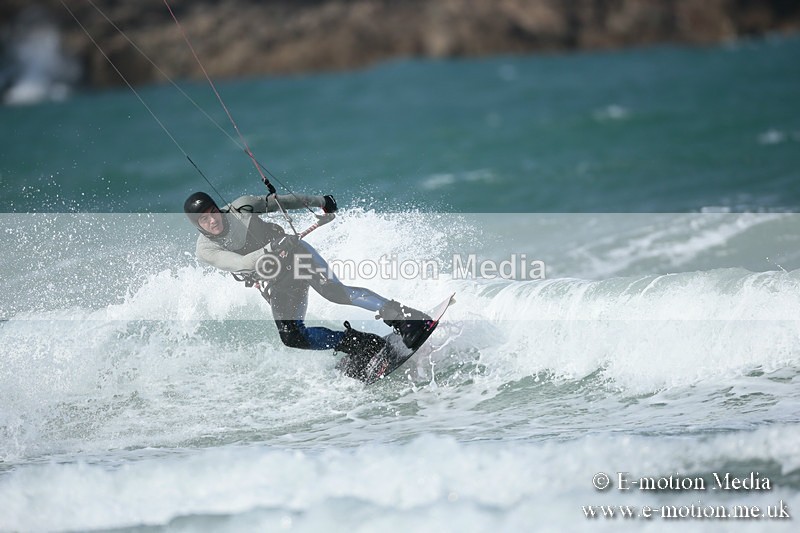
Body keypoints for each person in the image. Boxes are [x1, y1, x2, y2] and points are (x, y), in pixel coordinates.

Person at [183, 190, 431, 372]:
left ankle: (406, 318)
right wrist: (270, 248)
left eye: (212, 212)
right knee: (292, 336)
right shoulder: (205, 250)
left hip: (297, 257)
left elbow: (282, 202)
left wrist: (321, 202)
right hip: (277, 280)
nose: (212, 220)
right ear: (197, 227)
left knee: (336, 293)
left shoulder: (242, 209)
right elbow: (240, 263)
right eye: (204, 220)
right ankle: (362, 345)